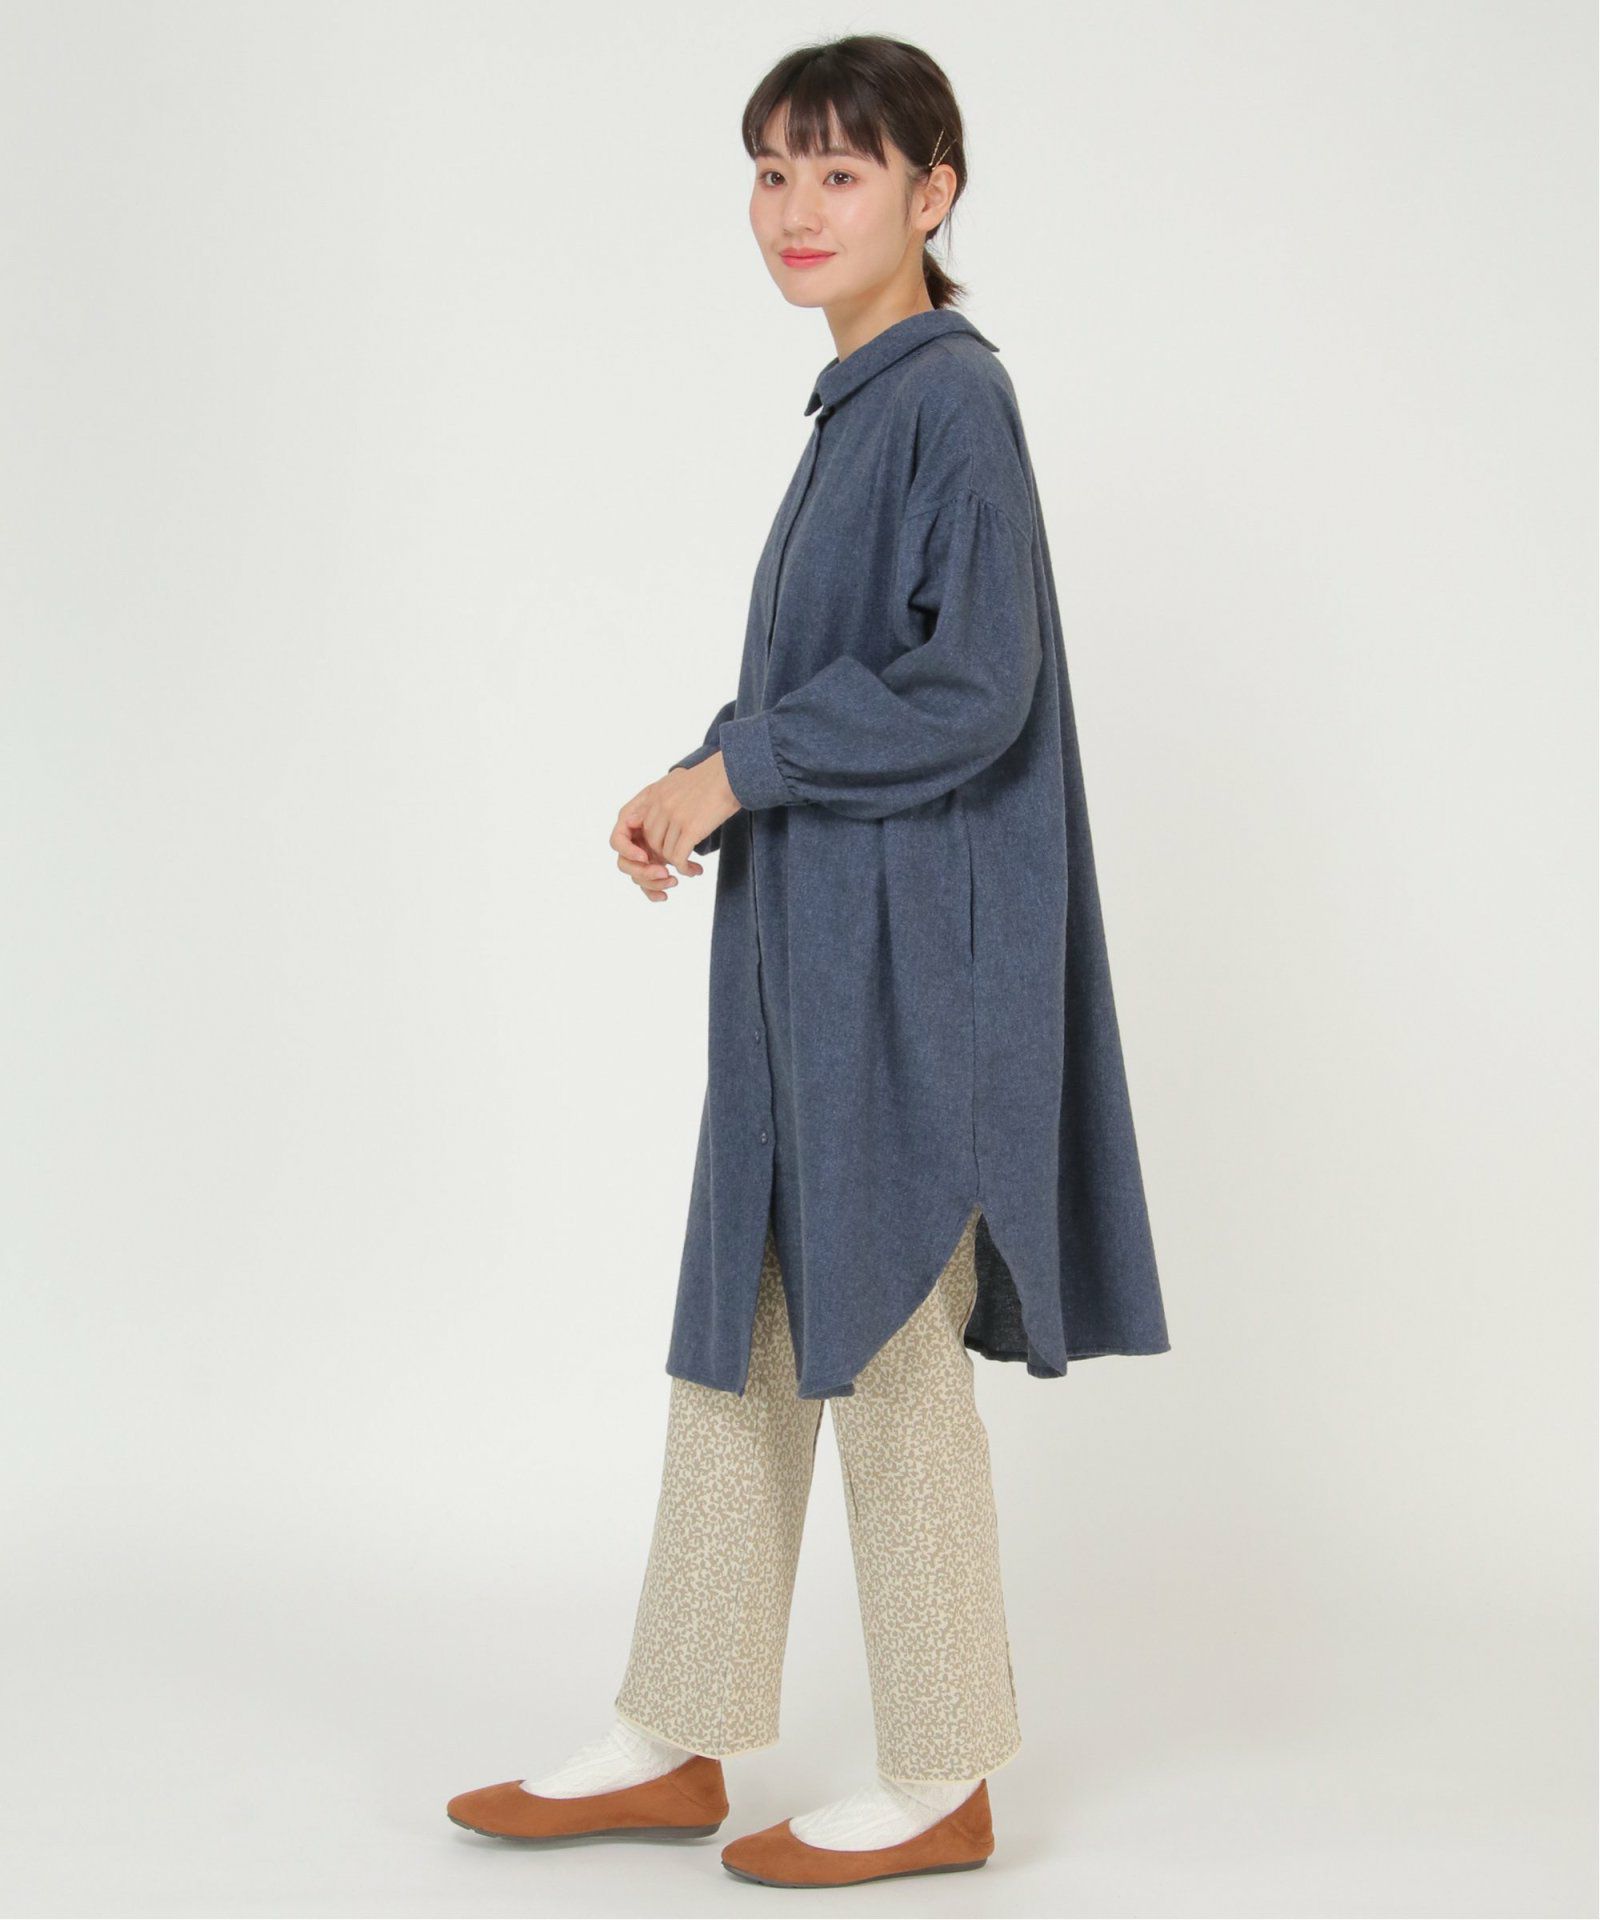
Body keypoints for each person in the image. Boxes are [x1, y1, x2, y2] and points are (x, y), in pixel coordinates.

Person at [446, 32, 1170, 1891]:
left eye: (840, 172)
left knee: (893, 1356)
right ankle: (673, 1733)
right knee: (748, 1343)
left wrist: (741, 768)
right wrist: (705, 780)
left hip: (916, 979)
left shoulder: (950, 403)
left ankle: (945, 1774)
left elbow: (974, 686)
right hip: (815, 965)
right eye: (772, 170)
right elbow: (850, 683)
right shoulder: (860, 409)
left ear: (934, 193)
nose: (794, 207)